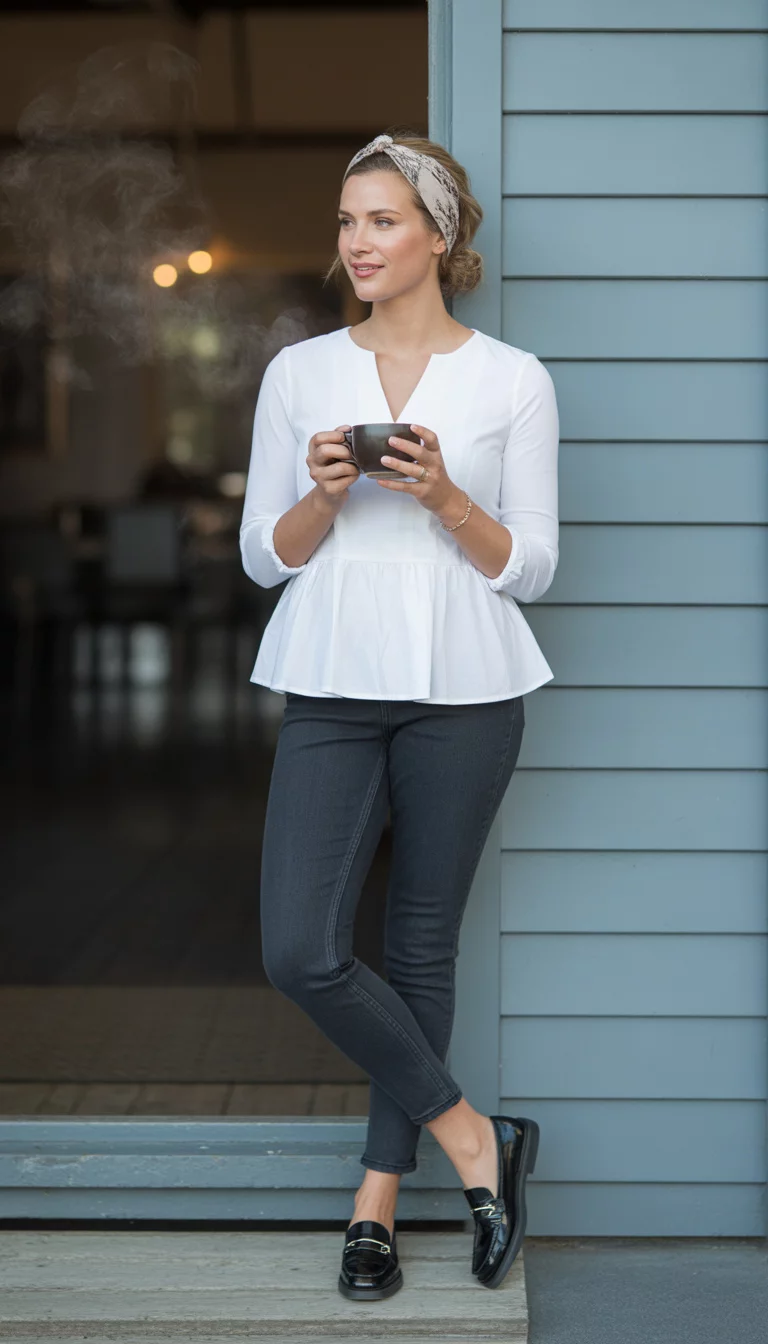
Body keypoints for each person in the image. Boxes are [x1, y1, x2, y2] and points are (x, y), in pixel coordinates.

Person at [239, 130, 559, 1299]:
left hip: (469, 697)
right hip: (331, 685)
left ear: (439, 235)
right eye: (344, 222)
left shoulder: (511, 379)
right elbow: (261, 559)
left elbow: (530, 566)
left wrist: (446, 497)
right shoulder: (301, 373)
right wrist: (323, 501)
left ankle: (376, 1197)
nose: (356, 243)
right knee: (302, 949)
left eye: (379, 220)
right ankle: (477, 1140)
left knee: (420, 948)